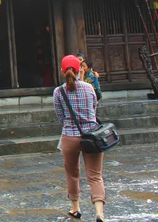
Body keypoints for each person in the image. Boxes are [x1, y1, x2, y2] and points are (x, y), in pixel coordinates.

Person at [53, 55, 105, 222]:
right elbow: (93, 109)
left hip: (69, 136)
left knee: (72, 173)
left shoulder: (58, 92)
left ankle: (76, 208)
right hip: (91, 136)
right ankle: (99, 213)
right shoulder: (89, 89)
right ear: (79, 69)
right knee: (95, 175)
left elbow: (60, 116)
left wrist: (71, 125)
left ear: (62, 71)